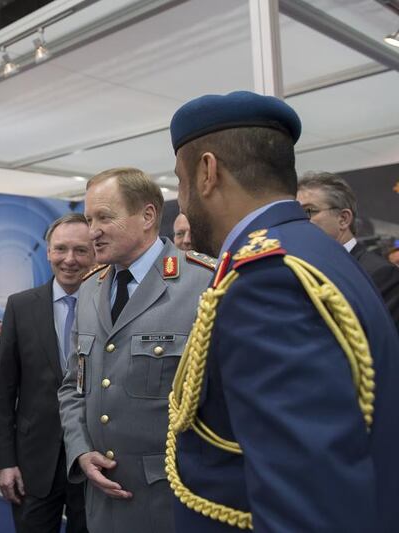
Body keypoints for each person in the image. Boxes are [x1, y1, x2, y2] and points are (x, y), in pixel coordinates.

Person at [167, 90, 399, 532]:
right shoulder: (308, 252)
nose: (181, 198)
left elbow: (308, 503)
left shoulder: (267, 279)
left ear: (207, 171)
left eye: (179, 181)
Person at [58, 168, 214, 533]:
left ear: (147, 216)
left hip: (171, 501)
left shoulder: (203, 283)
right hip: (102, 504)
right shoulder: (90, 289)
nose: (92, 230)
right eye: (88, 218)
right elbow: (72, 386)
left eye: (104, 218)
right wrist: (80, 450)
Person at [0, 213, 94, 533]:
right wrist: (6, 461)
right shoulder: (20, 306)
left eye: (80, 250)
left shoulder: (108, 306)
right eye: (60, 249)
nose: (69, 259)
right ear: (48, 252)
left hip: (92, 461)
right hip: (33, 464)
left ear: (94, 253)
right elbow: (4, 392)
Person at [297, 172, 399, 328]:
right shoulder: (299, 271)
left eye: (308, 211)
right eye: (295, 214)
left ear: (343, 219)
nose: (298, 221)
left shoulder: (381, 274)